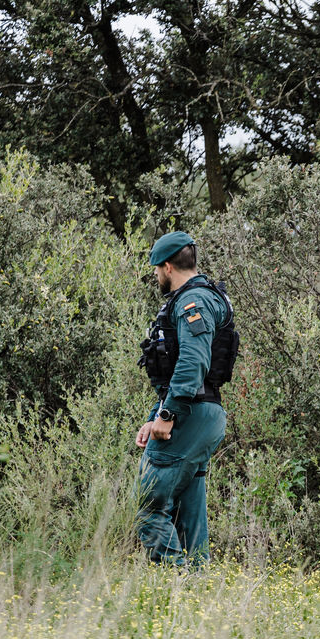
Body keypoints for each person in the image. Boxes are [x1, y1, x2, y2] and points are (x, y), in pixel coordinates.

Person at [134, 231, 235, 566]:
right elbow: (177, 373)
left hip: (190, 413)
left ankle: (175, 582)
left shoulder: (194, 302)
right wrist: (155, 416)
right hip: (201, 413)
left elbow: (193, 363)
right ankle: (197, 588)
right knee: (188, 513)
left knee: (149, 505)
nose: (156, 277)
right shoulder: (200, 298)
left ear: (167, 267)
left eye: (156, 270)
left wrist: (168, 415)